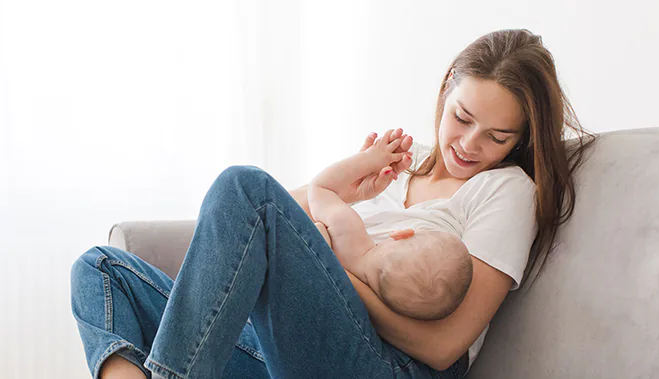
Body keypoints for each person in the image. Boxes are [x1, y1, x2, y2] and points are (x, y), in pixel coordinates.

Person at [70, 29, 595, 379]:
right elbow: (258, 223)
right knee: (100, 269)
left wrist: (338, 268)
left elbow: (442, 349)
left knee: (242, 183)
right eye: (461, 117)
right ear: (445, 89)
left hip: (385, 364)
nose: (469, 144)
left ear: (520, 140)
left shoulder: (505, 190)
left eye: (497, 136)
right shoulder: (397, 159)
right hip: (293, 346)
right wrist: (344, 189)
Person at [308, 129, 473, 321]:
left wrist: (367, 160)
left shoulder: (349, 232)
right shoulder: (367, 307)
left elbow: (320, 187)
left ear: (402, 234)